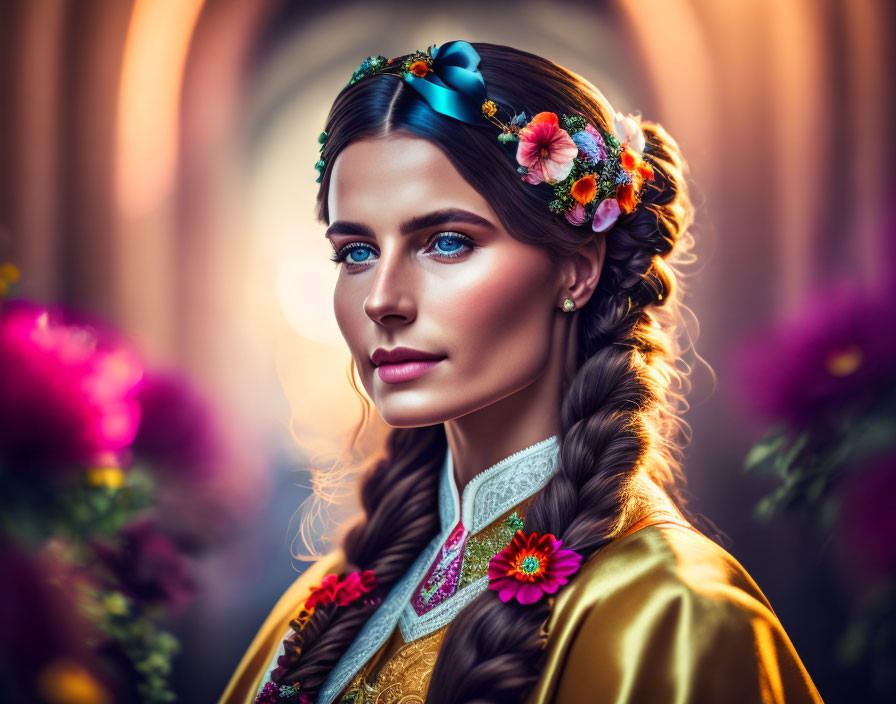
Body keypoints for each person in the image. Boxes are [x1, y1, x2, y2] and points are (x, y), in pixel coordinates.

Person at [219, 40, 825, 704]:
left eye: (446, 241)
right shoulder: (325, 606)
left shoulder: (674, 612)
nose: (382, 300)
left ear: (578, 267)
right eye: (357, 250)